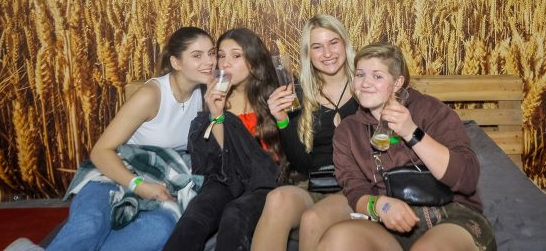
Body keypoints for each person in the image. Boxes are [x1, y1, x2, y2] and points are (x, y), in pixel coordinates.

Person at [5, 26, 216, 251]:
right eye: (197, 55)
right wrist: (138, 185)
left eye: (212, 53)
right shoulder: (152, 95)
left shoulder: (207, 94)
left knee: (159, 230)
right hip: (117, 174)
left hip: (163, 180)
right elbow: (100, 151)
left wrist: (217, 109)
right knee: (91, 225)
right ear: (176, 62)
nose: (209, 61)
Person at [320, 43, 496, 251]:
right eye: (360, 75)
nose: (365, 83)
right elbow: (355, 191)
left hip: (452, 216)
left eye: (377, 76)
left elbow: (466, 179)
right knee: (336, 240)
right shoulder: (348, 131)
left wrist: (411, 132)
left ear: (397, 83)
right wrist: (381, 206)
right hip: (389, 223)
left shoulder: (431, 111)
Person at [164, 28, 283, 251]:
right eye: (220, 56)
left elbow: (283, 158)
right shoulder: (212, 97)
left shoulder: (273, 99)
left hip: (263, 185)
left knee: (235, 214)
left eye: (236, 56)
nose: (225, 63)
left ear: (253, 61)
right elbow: (218, 162)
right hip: (226, 180)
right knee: (197, 213)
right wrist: (216, 115)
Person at [252, 14, 359, 251]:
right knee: (277, 199)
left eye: (333, 42)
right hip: (316, 184)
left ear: (345, 43)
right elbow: (303, 164)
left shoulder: (367, 87)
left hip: (356, 187)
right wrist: (282, 121)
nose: (327, 53)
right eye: (317, 47)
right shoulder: (298, 94)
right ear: (308, 53)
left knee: (313, 218)